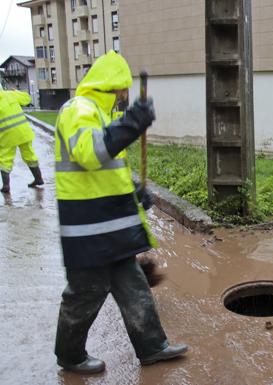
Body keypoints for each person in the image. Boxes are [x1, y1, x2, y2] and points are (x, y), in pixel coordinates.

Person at [53, 51, 187, 374]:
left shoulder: (99, 116)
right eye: (121, 91)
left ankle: (153, 347)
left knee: (134, 286)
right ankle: (69, 355)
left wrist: (134, 192)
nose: (123, 98)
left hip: (107, 229)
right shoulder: (78, 110)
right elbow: (90, 153)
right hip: (88, 230)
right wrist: (131, 123)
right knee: (85, 293)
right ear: (110, 86)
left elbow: (106, 170)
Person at [0, 86, 44, 193]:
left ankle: (6, 185)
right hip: (23, 132)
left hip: (7, 135)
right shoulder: (11, 94)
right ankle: (38, 179)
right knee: (29, 154)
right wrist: (16, 91)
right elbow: (27, 99)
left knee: (5, 159)